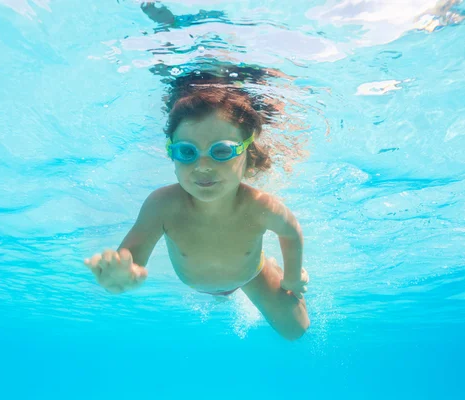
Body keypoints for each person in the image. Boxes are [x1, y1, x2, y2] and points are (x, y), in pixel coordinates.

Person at [84, 84, 310, 340]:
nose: (203, 166)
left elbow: (291, 231)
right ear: (172, 154)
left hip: (251, 274)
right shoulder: (162, 205)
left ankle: (271, 266)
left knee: (296, 330)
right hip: (202, 282)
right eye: (187, 152)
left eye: (222, 151)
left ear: (248, 153)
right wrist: (123, 272)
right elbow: (131, 256)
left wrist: (291, 278)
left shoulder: (260, 206)